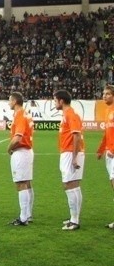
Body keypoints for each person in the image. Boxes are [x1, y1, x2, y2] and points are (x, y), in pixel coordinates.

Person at [54, 89, 85, 231]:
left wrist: (73, 157)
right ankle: (75, 218)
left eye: (55, 100)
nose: (54, 103)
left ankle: (74, 220)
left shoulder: (70, 114)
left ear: (61, 101)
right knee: (74, 185)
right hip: (69, 152)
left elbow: (76, 136)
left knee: (69, 185)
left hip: (70, 153)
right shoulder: (67, 114)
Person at [6, 92, 34, 226]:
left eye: (9, 100)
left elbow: (18, 137)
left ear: (15, 101)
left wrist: (9, 148)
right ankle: (28, 214)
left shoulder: (20, 115)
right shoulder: (24, 114)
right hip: (26, 151)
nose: (8, 103)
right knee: (27, 183)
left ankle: (23, 218)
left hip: (21, 152)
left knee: (21, 183)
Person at [97, 85, 114, 229]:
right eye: (103, 94)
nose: (104, 96)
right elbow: (107, 134)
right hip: (109, 153)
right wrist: (101, 149)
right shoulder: (108, 111)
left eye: (108, 94)